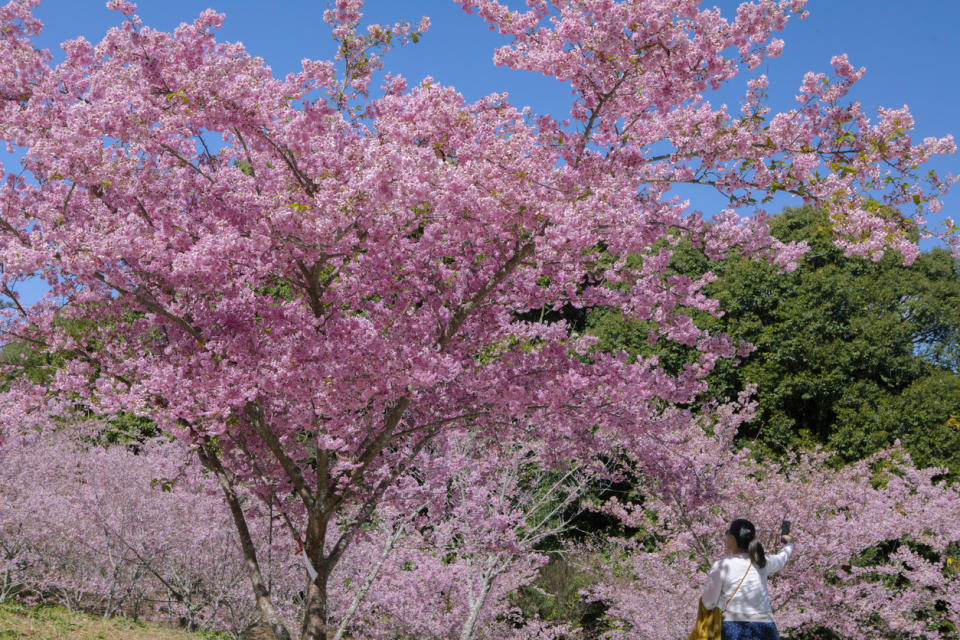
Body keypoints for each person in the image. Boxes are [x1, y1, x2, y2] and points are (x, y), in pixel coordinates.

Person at [701, 518, 794, 640]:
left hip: (733, 627)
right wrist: (789, 544)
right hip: (765, 627)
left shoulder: (721, 566)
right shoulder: (762, 562)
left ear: (733, 538)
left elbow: (708, 603)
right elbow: (781, 559)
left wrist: (722, 602)